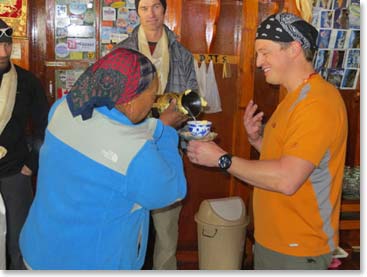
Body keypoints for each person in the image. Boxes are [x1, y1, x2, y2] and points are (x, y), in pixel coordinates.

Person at [186, 12, 348, 270]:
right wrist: (258, 139)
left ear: (294, 49)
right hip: (276, 242)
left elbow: (286, 179)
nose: (259, 61)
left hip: (299, 246)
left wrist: (222, 159)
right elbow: (298, 161)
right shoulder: (295, 97)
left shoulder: (317, 104)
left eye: (265, 52)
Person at [18, 47, 187, 269]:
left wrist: (156, 126)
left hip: (38, 251)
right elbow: (171, 191)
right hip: (90, 262)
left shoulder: (63, 108)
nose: (153, 102)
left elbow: (107, 130)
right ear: (129, 101)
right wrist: (166, 133)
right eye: (152, 96)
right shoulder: (136, 153)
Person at [115, 0, 198, 270]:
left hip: (165, 148)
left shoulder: (182, 54)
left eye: (156, 7)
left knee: (166, 230)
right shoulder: (122, 51)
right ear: (137, 12)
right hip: (127, 150)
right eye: (144, 8)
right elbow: (109, 103)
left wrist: (178, 121)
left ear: (165, 10)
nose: (151, 14)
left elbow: (192, 102)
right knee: (128, 227)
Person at [0, 19, 49, 269]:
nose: (3, 53)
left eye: (7, 45)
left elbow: (44, 126)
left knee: (18, 242)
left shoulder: (27, 82)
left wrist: (32, 164)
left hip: (16, 173)